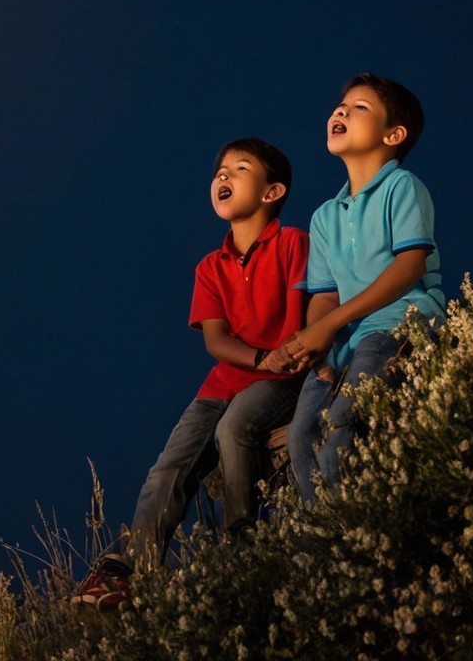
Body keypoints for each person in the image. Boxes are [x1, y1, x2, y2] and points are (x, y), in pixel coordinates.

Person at [72, 137, 310, 610]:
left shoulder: (293, 243)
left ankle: (245, 548)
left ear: (272, 191)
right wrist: (260, 358)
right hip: (226, 381)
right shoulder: (210, 267)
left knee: (235, 429)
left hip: (282, 378)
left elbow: (310, 311)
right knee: (167, 471)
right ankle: (130, 574)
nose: (223, 176)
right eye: (220, 170)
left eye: (240, 169)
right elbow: (216, 341)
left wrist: (282, 359)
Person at [285, 73, 446, 502]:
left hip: (398, 323)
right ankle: (318, 544)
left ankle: (352, 537)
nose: (341, 111)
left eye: (360, 107)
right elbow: (324, 294)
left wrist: (330, 324)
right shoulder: (324, 216)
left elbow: (410, 265)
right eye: (341, 106)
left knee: (342, 423)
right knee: (300, 437)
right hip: (345, 340)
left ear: (393, 134)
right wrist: (316, 343)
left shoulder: (402, 187)